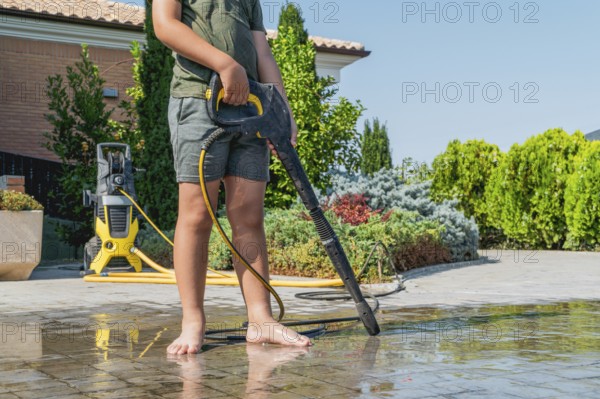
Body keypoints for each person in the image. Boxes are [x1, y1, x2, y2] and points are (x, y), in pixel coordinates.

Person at [152, 0, 312, 355]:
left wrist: (281, 112)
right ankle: (193, 320)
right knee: (197, 215)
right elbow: (165, 25)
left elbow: (262, 51)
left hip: (251, 107)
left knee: (249, 216)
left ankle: (261, 320)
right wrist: (225, 64)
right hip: (198, 100)